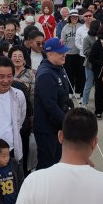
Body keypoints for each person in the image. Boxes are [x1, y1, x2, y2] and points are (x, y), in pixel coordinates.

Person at [33, 38, 74, 170]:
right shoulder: (46, 74)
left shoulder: (58, 68)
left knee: (57, 162)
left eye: (64, 52)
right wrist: (68, 122)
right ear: (49, 54)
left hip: (57, 126)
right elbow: (50, 106)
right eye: (60, 52)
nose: (64, 55)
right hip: (47, 129)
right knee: (47, 164)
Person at [89, 24, 103, 119]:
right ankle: (98, 111)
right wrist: (102, 63)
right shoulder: (96, 44)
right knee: (98, 91)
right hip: (98, 71)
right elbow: (91, 58)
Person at [61, 9, 85, 95]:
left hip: (79, 54)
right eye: (72, 17)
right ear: (69, 17)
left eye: (76, 17)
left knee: (79, 73)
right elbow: (62, 41)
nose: (74, 18)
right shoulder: (65, 27)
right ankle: (70, 92)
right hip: (68, 54)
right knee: (69, 74)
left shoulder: (82, 26)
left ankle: (78, 91)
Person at [81, 19, 100, 107]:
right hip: (89, 64)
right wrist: (96, 50)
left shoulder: (100, 37)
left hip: (99, 64)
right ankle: (84, 102)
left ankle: (99, 99)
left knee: (98, 85)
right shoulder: (87, 38)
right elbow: (85, 51)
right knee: (88, 84)